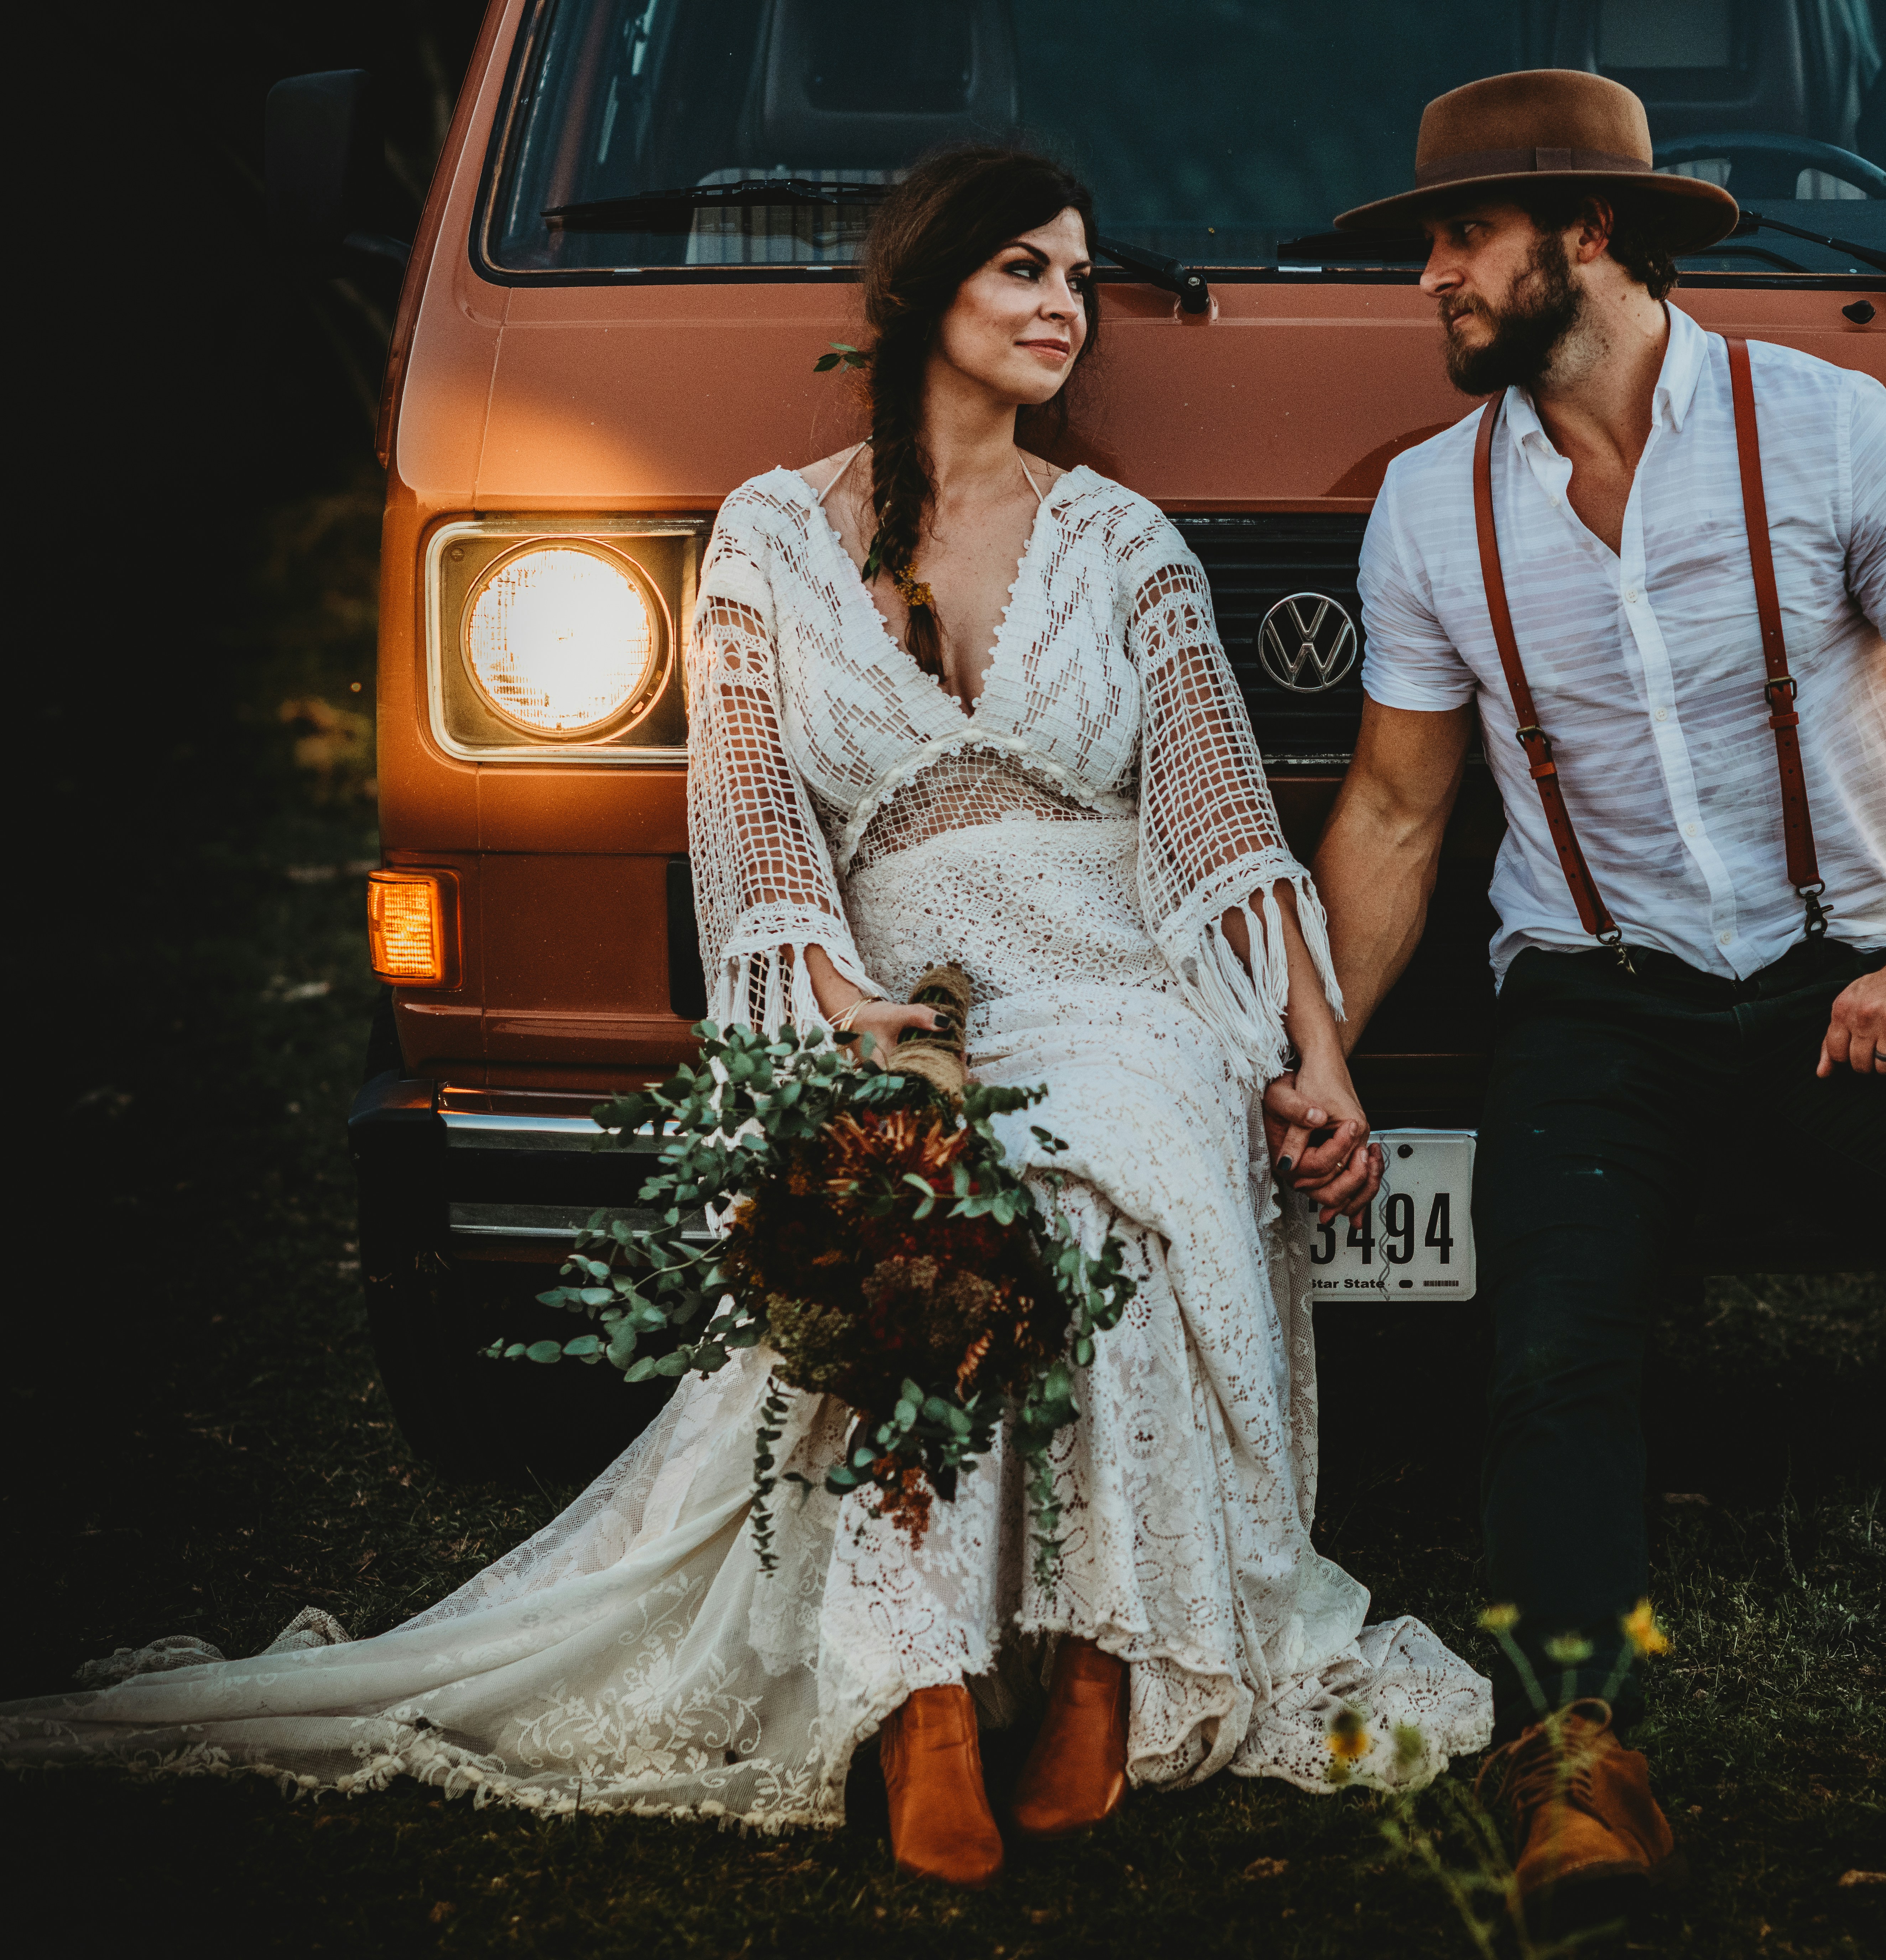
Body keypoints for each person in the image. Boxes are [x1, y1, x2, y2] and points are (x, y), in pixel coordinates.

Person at [0, 146, 1486, 1891]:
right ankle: (922, 1690)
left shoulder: (1129, 546)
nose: (1063, 309)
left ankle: (1104, 1656)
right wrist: (847, 1007)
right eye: (1024, 271)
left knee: (1120, 1149)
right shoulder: (770, 542)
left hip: (1112, 969)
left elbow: (1226, 828)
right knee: (915, 1181)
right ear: (927, 293)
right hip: (900, 975)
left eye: (1077, 279)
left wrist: (1313, 1049)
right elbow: (757, 835)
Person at [1316, 72, 1886, 1909]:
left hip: (1839, 982)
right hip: (1595, 1002)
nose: (1431, 277)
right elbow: (1391, 807)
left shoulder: (1832, 430)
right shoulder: (1436, 505)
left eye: (1460, 238)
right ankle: (1582, 1757)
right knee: (1550, 1325)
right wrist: (1312, 1051)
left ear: (1587, 235)